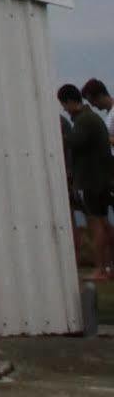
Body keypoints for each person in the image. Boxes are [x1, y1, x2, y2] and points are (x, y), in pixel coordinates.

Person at [58, 85, 113, 282]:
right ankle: (107, 267)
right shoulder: (92, 119)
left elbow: (73, 142)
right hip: (102, 179)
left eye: (64, 104)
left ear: (71, 101)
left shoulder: (84, 121)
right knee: (104, 224)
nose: (64, 109)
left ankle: (100, 268)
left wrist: (59, 137)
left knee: (96, 224)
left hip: (92, 181)